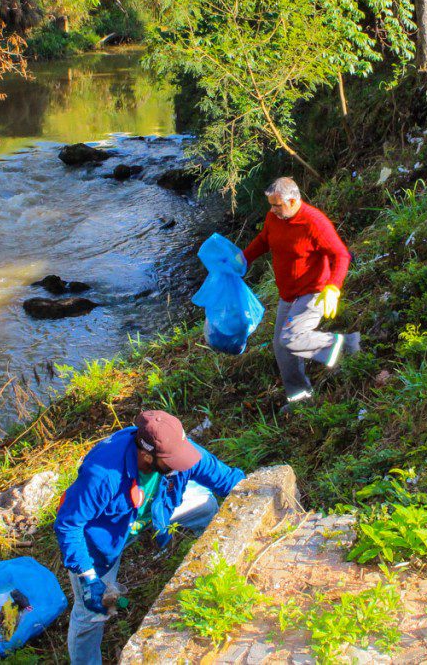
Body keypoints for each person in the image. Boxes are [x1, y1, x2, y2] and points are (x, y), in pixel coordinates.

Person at [56, 410, 245, 665]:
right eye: (172, 461)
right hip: (102, 540)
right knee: (91, 613)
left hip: (158, 510)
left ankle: (218, 568)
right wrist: (87, 576)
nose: (182, 463)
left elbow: (226, 479)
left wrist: (257, 492)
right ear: (146, 455)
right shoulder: (102, 474)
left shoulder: (177, 449)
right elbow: (69, 525)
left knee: (207, 507)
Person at [243, 177, 359, 406]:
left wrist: (333, 288)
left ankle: (346, 344)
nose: (273, 210)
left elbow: (341, 255)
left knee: (291, 338)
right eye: (271, 205)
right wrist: (242, 260)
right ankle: (300, 398)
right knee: (281, 347)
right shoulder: (274, 217)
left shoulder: (314, 223)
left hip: (314, 291)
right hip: (288, 294)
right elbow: (263, 240)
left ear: (293, 200)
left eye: (277, 205)